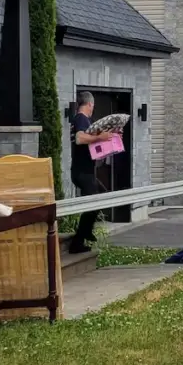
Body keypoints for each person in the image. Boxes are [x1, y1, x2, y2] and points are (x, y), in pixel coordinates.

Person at [69, 91, 111, 254]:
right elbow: (80, 139)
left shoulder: (86, 121)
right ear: (90, 104)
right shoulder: (81, 119)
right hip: (82, 172)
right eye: (93, 106)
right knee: (95, 202)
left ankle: (84, 233)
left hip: (86, 171)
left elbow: (90, 144)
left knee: (100, 195)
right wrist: (100, 137)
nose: (93, 108)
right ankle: (78, 241)